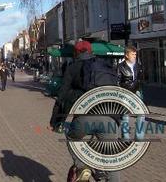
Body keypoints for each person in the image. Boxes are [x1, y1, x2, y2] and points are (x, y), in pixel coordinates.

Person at [49, 41, 120, 182]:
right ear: (91, 51)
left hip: (85, 118)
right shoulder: (106, 67)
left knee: (71, 137)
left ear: (76, 52)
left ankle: (82, 167)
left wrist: (55, 121)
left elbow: (62, 96)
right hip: (110, 118)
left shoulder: (73, 67)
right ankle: (102, 174)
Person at [117, 45, 145, 140]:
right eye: (132, 54)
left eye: (135, 54)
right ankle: (125, 137)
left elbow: (140, 79)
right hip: (125, 93)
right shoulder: (120, 67)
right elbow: (117, 81)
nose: (134, 56)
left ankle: (139, 137)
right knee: (125, 115)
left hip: (136, 92)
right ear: (126, 55)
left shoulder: (138, 66)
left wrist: (139, 90)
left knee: (141, 114)